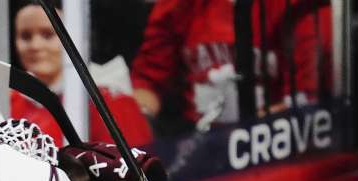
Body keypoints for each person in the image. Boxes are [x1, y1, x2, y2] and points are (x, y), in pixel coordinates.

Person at [130, 0, 320, 131]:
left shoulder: (298, 8)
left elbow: (306, 101)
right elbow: (148, 83)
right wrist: (134, 121)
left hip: (272, 147)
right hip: (196, 150)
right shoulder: (180, 6)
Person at [12, 1, 153, 145]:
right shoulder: (9, 100)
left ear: (74, 37)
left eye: (48, 35)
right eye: (25, 36)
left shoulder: (108, 100)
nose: (35, 46)